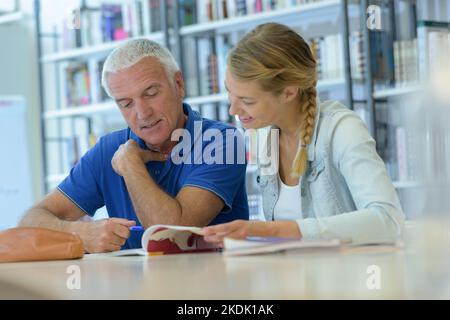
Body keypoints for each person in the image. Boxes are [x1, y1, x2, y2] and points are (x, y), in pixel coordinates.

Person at [20, 39, 248, 252]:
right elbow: (31, 221)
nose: (142, 113)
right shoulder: (108, 150)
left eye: (150, 93)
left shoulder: (222, 140)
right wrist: (78, 232)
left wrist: (131, 165)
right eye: (126, 103)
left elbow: (170, 234)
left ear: (178, 84)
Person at [203, 23, 404, 245]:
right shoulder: (267, 137)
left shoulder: (342, 130)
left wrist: (279, 231)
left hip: (349, 275)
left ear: (289, 92)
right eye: (230, 94)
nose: (233, 110)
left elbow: (388, 220)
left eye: (247, 101)